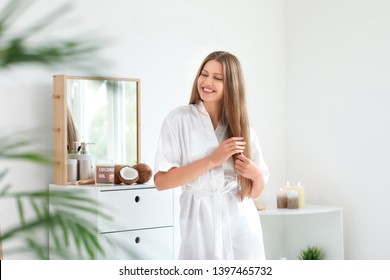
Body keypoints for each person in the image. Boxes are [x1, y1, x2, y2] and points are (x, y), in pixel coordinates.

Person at [154, 51, 269, 260]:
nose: (207, 82)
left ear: (232, 86)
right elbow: (161, 181)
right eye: (204, 74)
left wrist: (257, 176)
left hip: (241, 224)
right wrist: (212, 160)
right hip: (199, 224)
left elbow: (253, 193)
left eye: (217, 78)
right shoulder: (179, 120)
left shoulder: (242, 128)